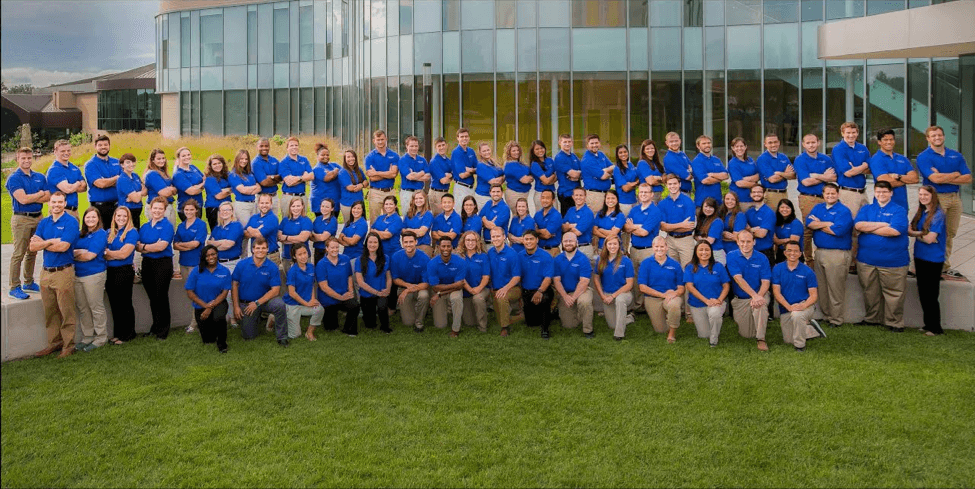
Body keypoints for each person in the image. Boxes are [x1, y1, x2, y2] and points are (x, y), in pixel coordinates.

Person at [854, 181, 910, 332]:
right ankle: (872, 319)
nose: (881, 194)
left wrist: (870, 227)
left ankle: (894, 323)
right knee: (870, 292)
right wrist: (883, 224)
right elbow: (858, 226)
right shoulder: (867, 208)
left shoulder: (899, 210)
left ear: (891, 193)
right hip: (867, 260)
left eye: (884, 192)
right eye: (878, 192)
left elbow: (895, 231)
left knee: (894, 294)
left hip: (893, 262)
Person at [916, 125, 971, 278]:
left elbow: (968, 178)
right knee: (931, 231)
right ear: (928, 139)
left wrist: (943, 176)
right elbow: (934, 179)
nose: (937, 138)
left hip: (954, 198)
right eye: (933, 136)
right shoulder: (924, 157)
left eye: (939, 135)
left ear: (944, 136)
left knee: (950, 233)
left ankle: (943, 266)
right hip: (936, 198)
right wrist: (955, 174)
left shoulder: (956, 155)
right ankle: (923, 265)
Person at [30, 192, 80, 358]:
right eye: (53, 202)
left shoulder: (71, 222)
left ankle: (68, 345)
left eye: (60, 202)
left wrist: (43, 244)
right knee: (50, 311)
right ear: (49, 204)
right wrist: (52, 241)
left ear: (65, 203)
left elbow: (64, 246)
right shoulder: (44, 222)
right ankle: (54, 343)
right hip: (46, 272)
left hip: (63, 272)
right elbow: (32, 247)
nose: (56, 205)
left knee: (66, 311)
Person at [805, 183, 854, 328]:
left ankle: (836, 319)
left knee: (835, 288)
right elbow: (809, 223)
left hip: (837, 254)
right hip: (820, 252)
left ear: (838, 194)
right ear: (823, 194)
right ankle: (826, 315)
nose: (830, 196)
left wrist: (818, 224)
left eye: (833, 193)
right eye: (827, 193)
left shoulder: (843, 211)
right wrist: (826, 223)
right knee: (822, 287)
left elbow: (837, 231)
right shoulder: (818, 208)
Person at [7, 147, 49, 300]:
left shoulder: (39, 177)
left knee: (33, 251)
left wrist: (33, 197)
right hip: (21, 219)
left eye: (29, 158)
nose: (26, 161)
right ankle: (14, 286)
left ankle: (28, 282)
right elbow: (22, 200)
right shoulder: (14, 178)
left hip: (38, 217)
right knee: (19, 253)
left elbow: (48, 197)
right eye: (23, 158)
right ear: (17, 159)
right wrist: (39, 194)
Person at [232, 238, 289, 345]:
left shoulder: (272, 267)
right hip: (247, 303)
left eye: (263, 248)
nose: (260, 250)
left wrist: (257, 303)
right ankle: (256, 318)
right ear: (253, 249)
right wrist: (236, 306)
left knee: (280, 305)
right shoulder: (242, 264)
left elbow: (275, 290)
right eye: (257, 248)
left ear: (267, 249)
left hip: (264, 302)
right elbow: (234, 285)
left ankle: (282, 337)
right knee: (249, 337)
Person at [772, 241, 826, 352]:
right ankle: (812, 329)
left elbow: (813, 296)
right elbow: (776, 293)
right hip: (786, 307)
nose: (792, 253)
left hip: (804, 305)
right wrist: (789, 307)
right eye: (789, 250)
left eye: (796, 251)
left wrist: (802, 306)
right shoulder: (778, 269)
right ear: (785, 252)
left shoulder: (808, 271)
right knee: (788, 340)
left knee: (797, 316)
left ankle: (800, 346)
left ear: (800, 253)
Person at [908, 186, 947, 336]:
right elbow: (909, 230)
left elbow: (930, 239)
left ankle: (936, 328)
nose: (923, 197)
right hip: (920, 256)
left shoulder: (938, 214)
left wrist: (916, 234)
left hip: (933, 259)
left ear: (933, 196)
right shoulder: (921, 212)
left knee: (931, 294)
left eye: (926, 194)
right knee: (923, 293)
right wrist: (922, 234)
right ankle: (928, 324)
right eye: (920, 194)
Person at [794, 133, 836, 264]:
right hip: (808, 198)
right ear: (803, 144)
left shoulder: (826, 159)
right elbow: (806, 182)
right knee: (809, 229)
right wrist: (824, 176)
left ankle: (823, 257)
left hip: (825, 199)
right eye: (808, 143)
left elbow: (833, 178)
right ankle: (808, 259)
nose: (811, 145)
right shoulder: (800, 160)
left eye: (813, 142)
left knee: (826, 227)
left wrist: (816, 175)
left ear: (818, 143)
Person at [137, 197, 175, 340]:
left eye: (160, 208)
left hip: (162, 264)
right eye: (155, 208)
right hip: (147, 264)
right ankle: (155, 327)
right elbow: (137, 246)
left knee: (161, 297)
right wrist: (149, 247)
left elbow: (162, 246)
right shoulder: (145, 226)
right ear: (150, 209)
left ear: (164, 211)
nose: (157, 211)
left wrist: (145, 247)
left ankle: (163, 331)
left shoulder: (167, 226)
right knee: (153, 298)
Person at [726, 231, 772, 351]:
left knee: (760, 306)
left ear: (754, 242)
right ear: (737, 242)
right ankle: (757, 323)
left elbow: (766, 282)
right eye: (742, 241)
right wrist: (753, 295)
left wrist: (758, 296)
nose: (745, 244)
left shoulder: (762, 258)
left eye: (748, 241)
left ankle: (761, 339)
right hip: (741, 299)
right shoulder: (731, 256)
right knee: (747, 334)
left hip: (760, 294)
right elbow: (738, 278)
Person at [831, 123, 871, 259]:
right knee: (849, 226)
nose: (851, 135)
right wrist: (864, 165)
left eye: (853, 132)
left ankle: (859, 258)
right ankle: (849, 260)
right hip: (848, 192)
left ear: (857, 133)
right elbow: (848, 173)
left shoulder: (863, 148)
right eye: (848, 133)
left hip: (863, 192)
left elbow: (870, 169)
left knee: (864, 224)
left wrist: (858, 168)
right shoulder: (838, 149)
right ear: (842, 133)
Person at [72, 208, 108, 351]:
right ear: (84, 219)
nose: (91, 220)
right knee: (83, 307)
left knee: (95, 307)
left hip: (94, 275)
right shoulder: (80, 235)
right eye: (88, 217)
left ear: (98, 219)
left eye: (94, 217)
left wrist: (78, 253)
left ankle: (101, 337)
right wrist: (80, 252)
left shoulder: (101, 234)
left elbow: (90, 256)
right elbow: (70, 252)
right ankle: (88, 337)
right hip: (78, 275)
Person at [184, 245, 232, 353]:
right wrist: (205, 306)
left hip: (219, 303)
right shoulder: (196, 271)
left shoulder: (224, 271)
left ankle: (222, 344)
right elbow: (189, 292)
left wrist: (210, 307)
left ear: (217, 255)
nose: (211, 257)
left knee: (219, 318)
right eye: (207, 255)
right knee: (208, 340)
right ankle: (213, 330)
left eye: (213, 254)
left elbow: (224, 293)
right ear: (203, 257)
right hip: (201, 305)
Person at [684, 240, 730, 347]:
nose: (704, 252)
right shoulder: (690, 267)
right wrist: (706, 301)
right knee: (704, 335)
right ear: (696, 252)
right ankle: (711, 330)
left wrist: (719, 300)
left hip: (716, 302)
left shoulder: (718, 266)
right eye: (701, 249)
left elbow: (726, 286)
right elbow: (689, 286)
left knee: (714, 314)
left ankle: (713, 341)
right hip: (698, 304)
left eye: (707, 249)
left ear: (711, 251)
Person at [638, 236, 684, 343]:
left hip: (671, 296)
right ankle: (671, 318)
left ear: (667, 247)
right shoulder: (646, 263)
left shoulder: (675, 264)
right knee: (660, 330)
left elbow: (681, 288)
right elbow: (642, 287)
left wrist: (675, 293)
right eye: (657, 246)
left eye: (662, 246)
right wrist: (663, 295)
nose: (660, 249)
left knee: (674, 305)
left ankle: (672, 334)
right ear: (652, 247)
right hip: (653, 298)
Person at [104, 206, 138, 345]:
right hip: (110, 272)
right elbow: (102, 253)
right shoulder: (109, 232)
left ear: (128, 217)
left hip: (124, 272)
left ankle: (128, 334)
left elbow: (125, 254)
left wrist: (109, 253)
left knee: (124, 304)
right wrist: (113, 255)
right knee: (115, 304)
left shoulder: (132, 232)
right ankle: (118, 334)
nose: (121, 219)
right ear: (114, 217)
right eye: (118, 216)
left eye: (124, 216)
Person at [173, 199, 208, 332]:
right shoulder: (181, 226)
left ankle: (195, 323)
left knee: (197, 293)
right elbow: (174, 245)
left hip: (196, 263)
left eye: (191, 209)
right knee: (190, 293)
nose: (188, 212)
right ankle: (197, 320)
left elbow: (196, 244)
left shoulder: (201, 224)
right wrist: (186, 246)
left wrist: (182, 245)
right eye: (186, 210)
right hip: (184, 263)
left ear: (196, 211)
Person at [553, 232, 594, 338]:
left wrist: (573, 297)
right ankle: (578, 313)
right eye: (565, 241)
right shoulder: (557, 259)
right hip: (565, 292)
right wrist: (566, 297)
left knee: (584, 302)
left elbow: (584, 282)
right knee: (569, 325)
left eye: (571, 241)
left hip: (582, 290)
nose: (568, 243)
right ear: (562, 243)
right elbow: (557, 281)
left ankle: (588, 330)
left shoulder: (583, 259)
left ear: (576, 242)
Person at [593, 235, 635, 341]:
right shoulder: (600, 260)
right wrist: (603, 296)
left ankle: (619, 334)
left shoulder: (626, 261)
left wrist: (613, 296)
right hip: (607, 295)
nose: (612, 246)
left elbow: (629, 284)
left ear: (619, 245)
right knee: (612, 325)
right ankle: (629, 317)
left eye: (615, 244)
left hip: (623, 293)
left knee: (620, 300)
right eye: (610, 244)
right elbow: (596, 279)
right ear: (606, 246)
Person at [869, 129, 918, 217]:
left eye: (891, 139)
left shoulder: (902, 159)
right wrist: (906, 180)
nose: (889, 142)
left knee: (901, 229)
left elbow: (915, 179)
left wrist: (898, 176)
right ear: (879, 142)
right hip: (883, 206)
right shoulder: (876, 159)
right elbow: (885, 183)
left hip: (902, 205)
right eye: (885, 140)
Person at [317, 238, 360, 336]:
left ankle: (349, 330)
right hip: (329, 299)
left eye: (337, 247)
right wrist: (340, 297)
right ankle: (330, 318)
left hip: (344, 294)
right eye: (332, 247)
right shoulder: (321, 264)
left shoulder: (345, 259)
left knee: (355, 306)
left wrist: (350, 291)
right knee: (331, 328)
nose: (335, 250)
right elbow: (324, 287)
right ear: (327, 248)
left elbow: (349, 276)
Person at [391, 231, 431, 332]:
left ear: (416, 242)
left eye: (411, 242)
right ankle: (419, 310)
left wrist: (408, 290)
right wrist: (407, 287)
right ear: (402, 243)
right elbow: (395, 279)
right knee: (408, 322)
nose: (408, 244)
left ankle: (419, 322)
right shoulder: (396, 257)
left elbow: (426, 283)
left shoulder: (424, 258)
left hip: (420, 287)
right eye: (406, 242)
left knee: (424, 296)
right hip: (403, 287)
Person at [624, 183, 663, 290]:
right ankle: (637, 305)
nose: (643, 194)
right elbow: (626, 228)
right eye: (641, 192)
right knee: (635, 278)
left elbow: (644, 233)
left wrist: (633, 227)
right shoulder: (634, 209)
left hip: (648, 250)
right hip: (634, 249)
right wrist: (638, 226)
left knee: (647, 278)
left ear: (651, 194)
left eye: (646, 192)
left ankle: (647, 304)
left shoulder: (655, 211)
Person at [427, 236, 467, 336]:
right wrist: (440, 292)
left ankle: (455, 329)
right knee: (440, 325)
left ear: (452, 248)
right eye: (443, 246)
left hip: (450, 291)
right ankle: (448, 309)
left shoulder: (460, 262)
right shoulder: (432, 263)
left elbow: (459, 286)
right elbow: (435, 287)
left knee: (456, 298)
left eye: (448, 246)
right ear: (438, 247)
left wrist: (440, 293)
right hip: (439, 291)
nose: (446, 249)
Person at [519, 230, 555, 338]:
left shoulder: (545, 256)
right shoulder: (519, 256)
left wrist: (539, 292)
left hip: (542, 289)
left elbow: (548, 278)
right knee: (531, 323)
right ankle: (552, 314)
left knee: (544, 302)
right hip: (526, 291)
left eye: (531, 239)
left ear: (537, 240)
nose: (529, 241)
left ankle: (545, 329)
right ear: (523, 241)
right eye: (526, 239)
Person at [487, 226, 523, 336]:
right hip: (494, 288)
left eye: (498, 236)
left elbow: (517, 277)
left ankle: (505, 328)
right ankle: (520, 317)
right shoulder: (490, 253)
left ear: (504, 237)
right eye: (493, 237)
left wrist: (505, 289)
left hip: (512, 288)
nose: (496, 239)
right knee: (499, 314)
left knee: (502, 298)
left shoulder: (512, 254)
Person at [284, 245, 324, 341]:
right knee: (295, 335)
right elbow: (292, 293)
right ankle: (274, 317)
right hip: (293, 304)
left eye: (305, 253)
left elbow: (312, 285)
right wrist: (307, 303)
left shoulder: (311, 267)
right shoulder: (292, 271)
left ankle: (309, 332)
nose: (303, 256)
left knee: (319, 309)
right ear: (294, 257)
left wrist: (313, 299)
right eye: (300, 254)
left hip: (306, 303)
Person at [355, 232, 392, 333]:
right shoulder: (360, 260)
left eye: (375, 242)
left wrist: (388, 289)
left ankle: (384, 324)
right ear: (366, 244)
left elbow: (388, 277)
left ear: (379, 244)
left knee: (382, 308)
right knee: (370, 324)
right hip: (367, 294)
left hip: (382, 292)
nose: (372, 245)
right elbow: (360, 282)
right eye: (370, 242)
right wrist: (376, 292)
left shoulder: (386, 258)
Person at [659, 174, 696, 271]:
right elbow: (662, 227)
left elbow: (689, 226)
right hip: (670, 240)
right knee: (671, 270)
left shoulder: (688, 201)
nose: (672, 186)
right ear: (666, 185)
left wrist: (669, 226)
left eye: (675, 183)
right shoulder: (662, 203)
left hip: (685, 240)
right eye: (670, 184)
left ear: (680, 184)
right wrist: (681, 225)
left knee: (687, 270)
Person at [84, 134, 120, 228]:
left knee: (116, 233)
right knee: (101, 234)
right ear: (95, 146)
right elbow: (101, 184)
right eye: (100, 145)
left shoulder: (117, 162)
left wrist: (107, 181)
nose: (103, 147)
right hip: (100, 207)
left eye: (106, 144)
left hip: (117, 205)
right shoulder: (90, 164)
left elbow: (124, 181)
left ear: (109, 146)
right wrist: (116, 178)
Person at [229, 149, 261, 252]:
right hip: (242, 206)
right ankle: (242, 257)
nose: (244, 161)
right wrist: (253, 189)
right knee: (246, 232)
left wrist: (249, 190)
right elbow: (242, 190)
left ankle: (254, 256)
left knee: (255, 231)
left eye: (246, 159)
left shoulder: (249, 173)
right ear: (237, 159)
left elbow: (259, 187)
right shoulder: (233, 174)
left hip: (253, 204)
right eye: (241, 158)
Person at [365, 130, 400, 222]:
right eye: (378, 140)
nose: (380, 142)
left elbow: (393, 174)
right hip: (376, 192)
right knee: (374, 220)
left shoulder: (394, 155)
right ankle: (373, 236)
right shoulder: (369, 157)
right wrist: (388, 173)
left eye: (382, 139)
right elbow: (372, 178)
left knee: (390, 219)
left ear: (386, 139)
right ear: (374, 141)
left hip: (390, 191)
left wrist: (376, 173)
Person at [459, 231, 491, 332]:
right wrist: (470, 289)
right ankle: (480, 311)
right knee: (469, 322)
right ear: (463, 242)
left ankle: (482, 327)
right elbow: (460, 278)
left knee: (478, 298)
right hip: (466, 291)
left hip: (482, 288)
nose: (470, 242)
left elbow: (486, 277)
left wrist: (478, 289)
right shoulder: (459, 257)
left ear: (477, 242)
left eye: (473, 240)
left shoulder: (483, 256)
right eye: (468, 240)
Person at [45, 139, 86, 218]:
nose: (66, 153)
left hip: (74, 211)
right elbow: (68, 189)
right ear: (55, 152)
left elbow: (84, 187)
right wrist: (78, 183)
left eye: (68, 150)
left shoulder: (74, 168)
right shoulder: (54, 169)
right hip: (60, 211)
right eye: (63, 151)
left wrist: (72, 186)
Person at [756, 133, 795, 212]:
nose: (773, 145)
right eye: (770, 143)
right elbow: (772, 179)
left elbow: (794, 175)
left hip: (784, 193)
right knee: (773, 220)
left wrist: (780, 173)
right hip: (771, 194)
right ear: (765, 144)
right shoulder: (762, 159)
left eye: (775, 142)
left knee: (783, 219)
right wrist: (786, 173)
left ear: (779, 143)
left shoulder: (783, 157)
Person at [245, 193, 282, 276]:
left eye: (267, 203)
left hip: (270, 256)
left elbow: (259, 235)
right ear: (258, 204)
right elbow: (245, 234)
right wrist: (254, 230)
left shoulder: (272, 218)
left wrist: (250, 228)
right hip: (256, 256)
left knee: (271, 283)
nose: (264, 205)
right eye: (262, 203)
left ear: (271, 204)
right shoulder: (254, 217)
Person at [208, 202, 245, 278]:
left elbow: (228, 245)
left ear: (232, 212)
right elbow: (208, 243)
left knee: (231, 288)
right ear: (219, 212)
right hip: (217, 263)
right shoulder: (217, 227)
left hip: (232, 264)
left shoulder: (236, 225)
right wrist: (223, 241)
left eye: (228, 210)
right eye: (222, 210)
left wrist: (215, 244)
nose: (225, 212)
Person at [690, 135, 729, 208]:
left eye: (709, 143)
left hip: (718, 201)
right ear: (698, 146)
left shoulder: (716, 159)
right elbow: (705, 181)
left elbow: (726, 175)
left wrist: (712, 174)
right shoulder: (697, 161)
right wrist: (720, 178)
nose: (707, 145)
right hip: (703, 202)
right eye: (704, 143)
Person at [745, 185, 777, 269]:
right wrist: (754, 229)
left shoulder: (768, 212)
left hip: (765, 251)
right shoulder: (749, 211)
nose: (756, 194)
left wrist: (749, 230)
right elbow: (744, 229)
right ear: (750, 194)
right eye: (754, 192)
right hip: (751, 251)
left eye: (759, 192)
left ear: (764, 194)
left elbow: (762, 234)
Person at [278, 197, 313, 272]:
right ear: (290, 207)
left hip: (302, 257)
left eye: (298, 206)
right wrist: (296, 239)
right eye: (293, 206)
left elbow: (302, 238)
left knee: (303, 280)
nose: (295, 208)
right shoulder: (285, 220)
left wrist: (286, 238)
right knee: (288, 280)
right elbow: (279, 237)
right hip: (287, 256)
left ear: (302, 206)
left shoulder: (306, 221)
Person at [581, 134, 615, 213]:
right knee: (595, 221)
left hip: (605, 193)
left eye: (596, 143)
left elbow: (613, 167)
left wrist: (605, 169)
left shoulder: (601, 154)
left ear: (599, 143)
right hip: (594, 195)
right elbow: (603, 176)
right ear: (587, 145)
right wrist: (608, 173)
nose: (594, 145)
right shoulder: (587, 159)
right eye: (592, 143)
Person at [279, 136, 313, 213]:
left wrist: (297, 178)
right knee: (288, 222)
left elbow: (311, 176)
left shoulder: (304, 160)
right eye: (291, 145)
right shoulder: (283, 162)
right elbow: (289, 182)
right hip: (289, 197)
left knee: (302, 222)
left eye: (296, 145)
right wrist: (303, 177)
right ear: (287, 148)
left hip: (302, 197)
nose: (294, 147)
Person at [399, 136, 431, 216]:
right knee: (408, 216)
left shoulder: (422, 160)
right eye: (411, 146)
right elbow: (409, 177)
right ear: (407, 146)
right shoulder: (403, 160)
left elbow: (428, 176)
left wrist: (415, 174)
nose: (414, 148)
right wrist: (422, 173)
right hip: (408, 193)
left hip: (420, 192)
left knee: (421, 215)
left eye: (416, 146)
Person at [144, 148, 177, 225]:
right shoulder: (152, 174)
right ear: (152, 160)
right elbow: (164, 193)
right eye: (158, 159)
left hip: (168, 205)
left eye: (163, 158)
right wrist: (171, 188)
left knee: (170, 233)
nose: (162, 161)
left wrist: (171, 189)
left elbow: (175, 191)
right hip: (158, 208)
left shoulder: (163, 172)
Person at [562, 187, 597, 261]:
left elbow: (577, 232)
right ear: (573, 197)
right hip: (570, 248)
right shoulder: (570, 210)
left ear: (585, 197)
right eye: (576, 195)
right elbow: (562, 228)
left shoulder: (588, 212)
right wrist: (572, 226)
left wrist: (567, 227)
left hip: (583, 248)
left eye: (581, 195)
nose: (578, 197)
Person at [172, 147, 205, 221]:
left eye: (188, 155)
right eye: (183, 156)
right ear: (178, 158)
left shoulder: (193, 167)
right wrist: (202, 185)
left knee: (197, 228)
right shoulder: (178, 174)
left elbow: (204, 179)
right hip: (186, 209)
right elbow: (192, 191)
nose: (187, 157)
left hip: (198, 205)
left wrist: (197, 187)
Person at [728, 138, 760, 212]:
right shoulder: (732, 163)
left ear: (745, 147)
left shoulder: (750, 160)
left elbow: (758, 175)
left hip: (753, 198)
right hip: (740, 200)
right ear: (733, 148)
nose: (739, 148)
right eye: (736, 146)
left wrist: (746, 179)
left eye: (741, 146)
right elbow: (740, 183)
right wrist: (756, 186)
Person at [252, 138, 282, 216]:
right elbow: (264, 182)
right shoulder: (255, 163)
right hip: (261, 197)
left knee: (274, 221)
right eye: (261, 146)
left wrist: (271, 177)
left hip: (274, 196)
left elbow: (281, 177)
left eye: (266, 146)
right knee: (261, 221)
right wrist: (276, 178)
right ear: (257, 147)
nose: (264, 148)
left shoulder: (274, 160)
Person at [310, 143, 342, 218]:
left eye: (327, 155)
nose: (325, 157)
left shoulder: (334, 165)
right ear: (317, 156)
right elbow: (327, 178)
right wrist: (335, 172)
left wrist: (333, 172)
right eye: (322, 155)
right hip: (320, 202)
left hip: (335, 201)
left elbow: (345, 173)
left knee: (333, 224)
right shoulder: (317, 168)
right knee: (321, 224)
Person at [554, 134, 582, 215]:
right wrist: (576, 174)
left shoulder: (574, 156)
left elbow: (583, 172)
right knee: (567, 220)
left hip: (576, 194)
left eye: (569, 141)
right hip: (566, 194)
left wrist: (578, 175)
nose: (567, 144)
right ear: (560, 143)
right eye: (564, 142)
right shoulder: (559, 157)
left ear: (572, 143)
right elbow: (574, 174)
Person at [203, 154, 232, 230]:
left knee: (227, 231)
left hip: (227, 207)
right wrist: (230, 190)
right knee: (217, 233)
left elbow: (236, 186)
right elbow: (218, 196)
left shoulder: (227, 175)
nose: (217, 165)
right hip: (214, 209)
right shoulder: (210, 178)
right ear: (210, 166)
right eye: (214, 164)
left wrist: (225, 190)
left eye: (219, 163)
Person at [338, 150, 368, 223]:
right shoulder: (343, 172)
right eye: (348, 157)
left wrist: (361, 185)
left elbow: (366, 182)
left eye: (353, 156)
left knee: (361, 224)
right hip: (348, 204)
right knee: (349, 225)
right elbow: (351, 188)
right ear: (345, 159)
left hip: (359, 202)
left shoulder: (358, 169)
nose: (351, 159)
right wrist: (362, 185)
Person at [450, 128, 478, 206]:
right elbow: (462, 175)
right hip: (461, 188)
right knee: (460, 213)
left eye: (466, 136)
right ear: (457, 138)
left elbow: (478, 168)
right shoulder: (456, 153)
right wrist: (473, 170)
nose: (464, 138)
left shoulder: (471, 151)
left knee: (471, 212)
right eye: (462, 137)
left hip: (471, 188)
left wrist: (468, 169)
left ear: (469, 138)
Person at [116, 153, 145, 226]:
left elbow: (146, 190)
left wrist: (137, 194)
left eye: (133, 162)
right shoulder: (123, 179)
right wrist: (139, 195)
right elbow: (136, 199)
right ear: (122, 165)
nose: (131, 164)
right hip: (127, 212)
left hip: (137, 211)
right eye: (128, 162)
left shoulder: (135, 176)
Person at [694, 197, 726, 264]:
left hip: (716, 254)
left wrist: (698, 238)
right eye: (706, 206)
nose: (708, 209)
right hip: (705, 253)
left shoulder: (717, 222)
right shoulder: (703, 220)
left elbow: (710, 241)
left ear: (715, 209)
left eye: (711, 207)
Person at [529, 140, 558, 213]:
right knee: (542, 218)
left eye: (541, 148)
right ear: (533, 151)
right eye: (537, 149)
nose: (540, 150)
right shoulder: (534, 164)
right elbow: (546, 181)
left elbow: (557, 176)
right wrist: (553, 176)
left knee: (555, 216)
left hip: (552, 192)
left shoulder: (550, 160)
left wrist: (551, 179)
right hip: (540, 194)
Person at [403, 191, 434, 256]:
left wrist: (408, 230)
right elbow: (402, 231)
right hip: (408, 246)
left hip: (423, 245)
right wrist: (416, 231)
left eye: (421, 198)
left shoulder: (428, 214)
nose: (418, 200)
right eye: (416, 199)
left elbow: (421, 233)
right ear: (413, 200)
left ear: (425, 199)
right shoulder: (408, 213)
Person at [533, 190, 563, 258]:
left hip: (552, 251)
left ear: (553, 200)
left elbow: (547, 235)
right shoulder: (537, 214)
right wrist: (539, 232)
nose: (545, 200)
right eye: (543, 198)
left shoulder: (556, 215)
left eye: (547, 198)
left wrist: (537, 231)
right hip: (539, 250)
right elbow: (532, 232)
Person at [773, 199, 803, 264]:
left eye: (787, 207)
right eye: (782, 207)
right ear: (778, 209)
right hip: (780, 254)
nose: (784, 210)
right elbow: (775, 241)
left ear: (792, 209)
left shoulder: (796, 223)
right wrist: (786, 240)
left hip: (793, 254)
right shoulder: (777, 223)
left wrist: (779, 241)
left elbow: (793, 242)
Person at [613, 144, 640, 218]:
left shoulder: (630, 165)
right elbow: (625, 188)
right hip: (624, 203)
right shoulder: (617, 169)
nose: (623, 154)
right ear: (617, 155)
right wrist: (636, 183)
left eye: (625, 152)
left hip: (634, 200)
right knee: (625, 225)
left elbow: (639, 178)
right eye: (620, 153)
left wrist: (631, 184)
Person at [474, 142, 504, 209]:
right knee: (485, 218)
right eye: (484, 151)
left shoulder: (493, 162)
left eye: (488, 150)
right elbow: (494, 182)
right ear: (480, 153)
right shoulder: (481, 165)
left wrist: (501, 178)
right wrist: (502, 178)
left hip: (494, 196)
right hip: (483, 197)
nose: (487, 152)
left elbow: (504, 173)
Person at [503, 140, 533, 206]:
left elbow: (529, 176)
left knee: (522, 215)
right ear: (509, 152)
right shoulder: (511, 165)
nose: (516, 152)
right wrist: (531, 177)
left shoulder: (520, 163)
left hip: (524, 194)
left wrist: (530, 177)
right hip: (515, 194)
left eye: (517, 150)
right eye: (513, 151)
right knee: (518, 215)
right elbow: (525, 180)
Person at [428, 137, 453, 215]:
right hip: (437, 193)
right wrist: (450, 177)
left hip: (445, 192)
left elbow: (454, 176)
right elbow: (443, 181)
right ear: (435, 148)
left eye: (443, 145)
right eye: (439, 146)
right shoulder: (434, 161)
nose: (442, 147)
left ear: (446, 146)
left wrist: (450, 175)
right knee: (438, 218)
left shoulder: (448, 160)